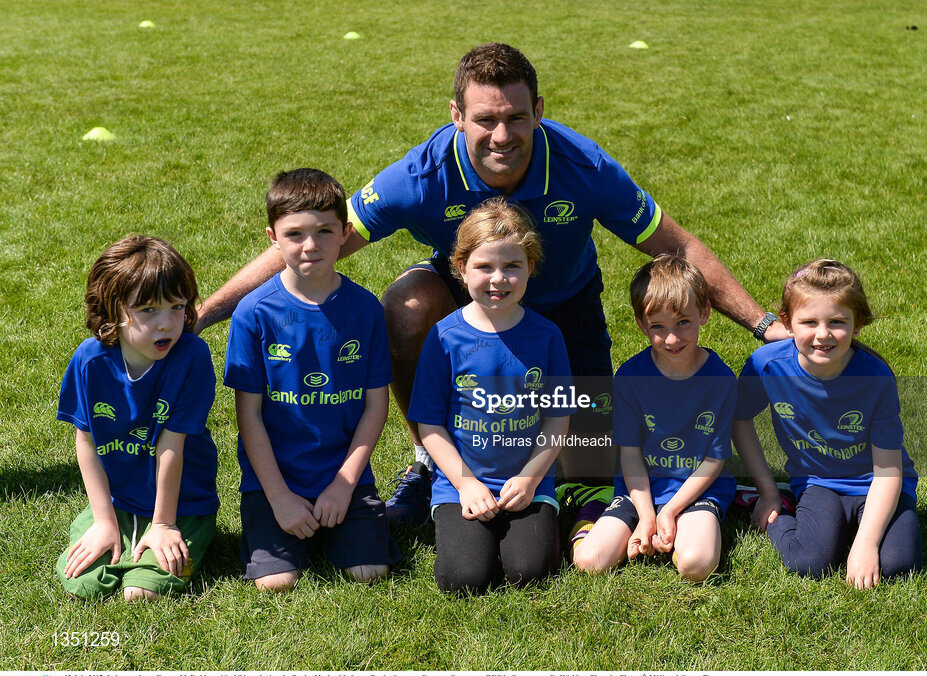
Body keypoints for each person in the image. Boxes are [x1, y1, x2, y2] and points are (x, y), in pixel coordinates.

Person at [196, 43, 788, 526]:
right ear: (456, 116)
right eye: (485, 119)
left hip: (563, 310)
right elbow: (307, 250)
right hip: (468, 311)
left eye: (515, 117)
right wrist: (202, 314)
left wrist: (765, 325)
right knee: (405, 304)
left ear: (537, 111)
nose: (502, 135)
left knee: (587, 465)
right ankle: (433, 460)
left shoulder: (583, 166)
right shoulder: (420, 175)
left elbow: (677, 246)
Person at [223, 169, 400, 591]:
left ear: (344, 233)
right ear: (273, 237)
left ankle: (340, 522)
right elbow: (248, 417)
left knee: (368, 572)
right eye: (295, 233)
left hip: (343, 476)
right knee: (277, 582)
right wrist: (280, 498)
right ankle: (286, 526)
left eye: (324, 231)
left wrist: (342, 486)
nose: (310, 245)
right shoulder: (253, 313)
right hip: (275, 480)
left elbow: (377, 406)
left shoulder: (365, 310)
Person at [407, 198, 573, 594]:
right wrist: (465, 485)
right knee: (464, 579)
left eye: (512, 266)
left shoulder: (548, 336)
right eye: (484, 267)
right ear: (461, 268)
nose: (498, 279)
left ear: (531, 268)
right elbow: (429, 425)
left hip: (528, 481)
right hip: (461, 482)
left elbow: (558, 419)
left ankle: (533, 525)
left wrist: (532, 477)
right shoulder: (444, 337)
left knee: (530, 574)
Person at [733, 259, 922, 588]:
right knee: (809, 563)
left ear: (857, 324)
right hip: (819, 482)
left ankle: (860, 531)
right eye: (809, 322)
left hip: (878, 483)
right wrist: (767, 491)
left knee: (898, 565)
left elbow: (888, 471)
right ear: (788, 323)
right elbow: (738, 418)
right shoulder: (767, 365)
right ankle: (775, 503)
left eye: (837, 321)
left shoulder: (875, 377)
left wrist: (865, 543)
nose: (823, 334)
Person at [56, 236, 219, 600]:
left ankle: (176, 536)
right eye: (148, 310)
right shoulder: (89, 360)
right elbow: (86, 442)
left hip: (183, 502)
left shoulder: (192, 356)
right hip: (118, 500)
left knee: (143, 591)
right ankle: (114, 530)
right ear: (112, 310)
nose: (167, 324)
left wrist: (163, 524)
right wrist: (102, 521)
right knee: (82, 583)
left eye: (177, 307)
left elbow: (171, 443)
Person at [571, 255, 737, 580]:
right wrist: (647, 516)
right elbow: (630, 455)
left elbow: (714, 461)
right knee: (590, 562)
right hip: (640, 490)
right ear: (640, 324)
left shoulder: (721, 380)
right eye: (658, 327)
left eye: (683, 323)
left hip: (698, 490)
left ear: (704, 313)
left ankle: (678, 536)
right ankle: (596, 512)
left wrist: (672, 511)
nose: (672, 339)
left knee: (697, 565)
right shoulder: (630, 377)